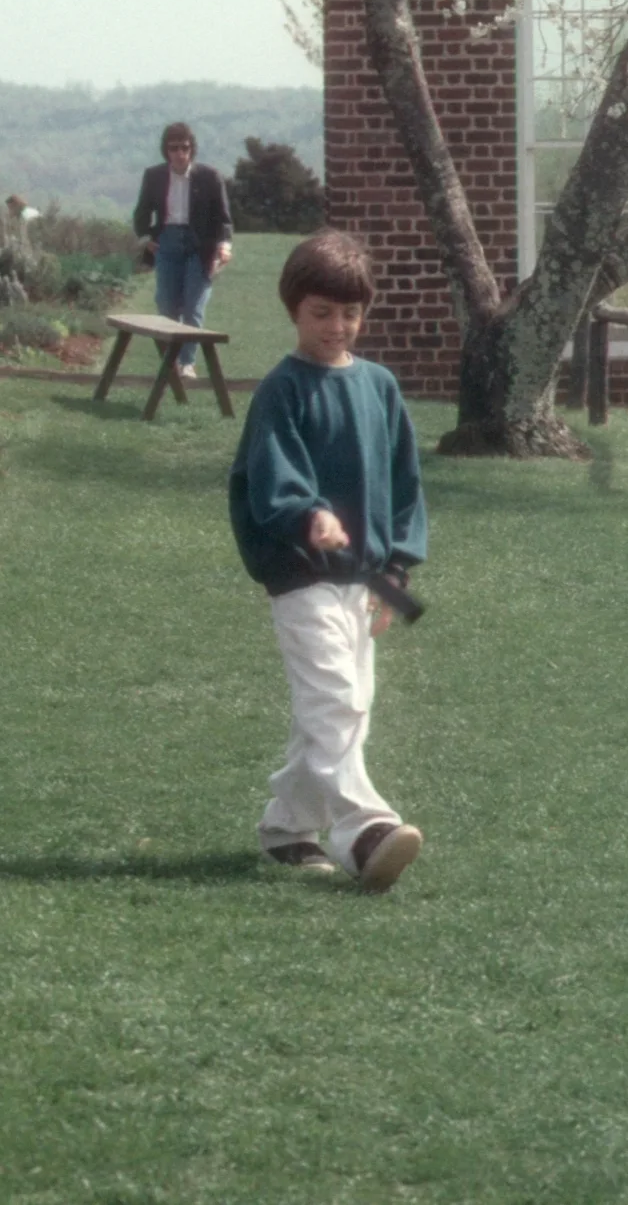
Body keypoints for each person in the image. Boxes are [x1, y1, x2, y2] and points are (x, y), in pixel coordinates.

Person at [226, 230, 427, 889]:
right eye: (321, 313)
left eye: (350, 313)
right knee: (333, 699)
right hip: (302, 577)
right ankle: (366, 831)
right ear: (294, 309)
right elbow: (267, 478)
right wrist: (307, 511)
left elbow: (404, 486)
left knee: (348, 705)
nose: (337, 326)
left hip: (360, 583)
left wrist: (395, 571)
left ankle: (287, 827)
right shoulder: (283, 391)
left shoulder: (379, 387)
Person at [132, 121, 233, 379]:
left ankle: (188, 364)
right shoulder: (154, 176)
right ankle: (171, 363)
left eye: (185, 148)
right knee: (166, 304)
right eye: (174, 148)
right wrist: (146, 239)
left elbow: (223, 220)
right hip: (167, 241)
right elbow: (142, 213)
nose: (180, 153)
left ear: (192, 149)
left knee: (193, 305)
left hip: (199, 245)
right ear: (166, 150)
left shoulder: (209, 177)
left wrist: (224, 246)